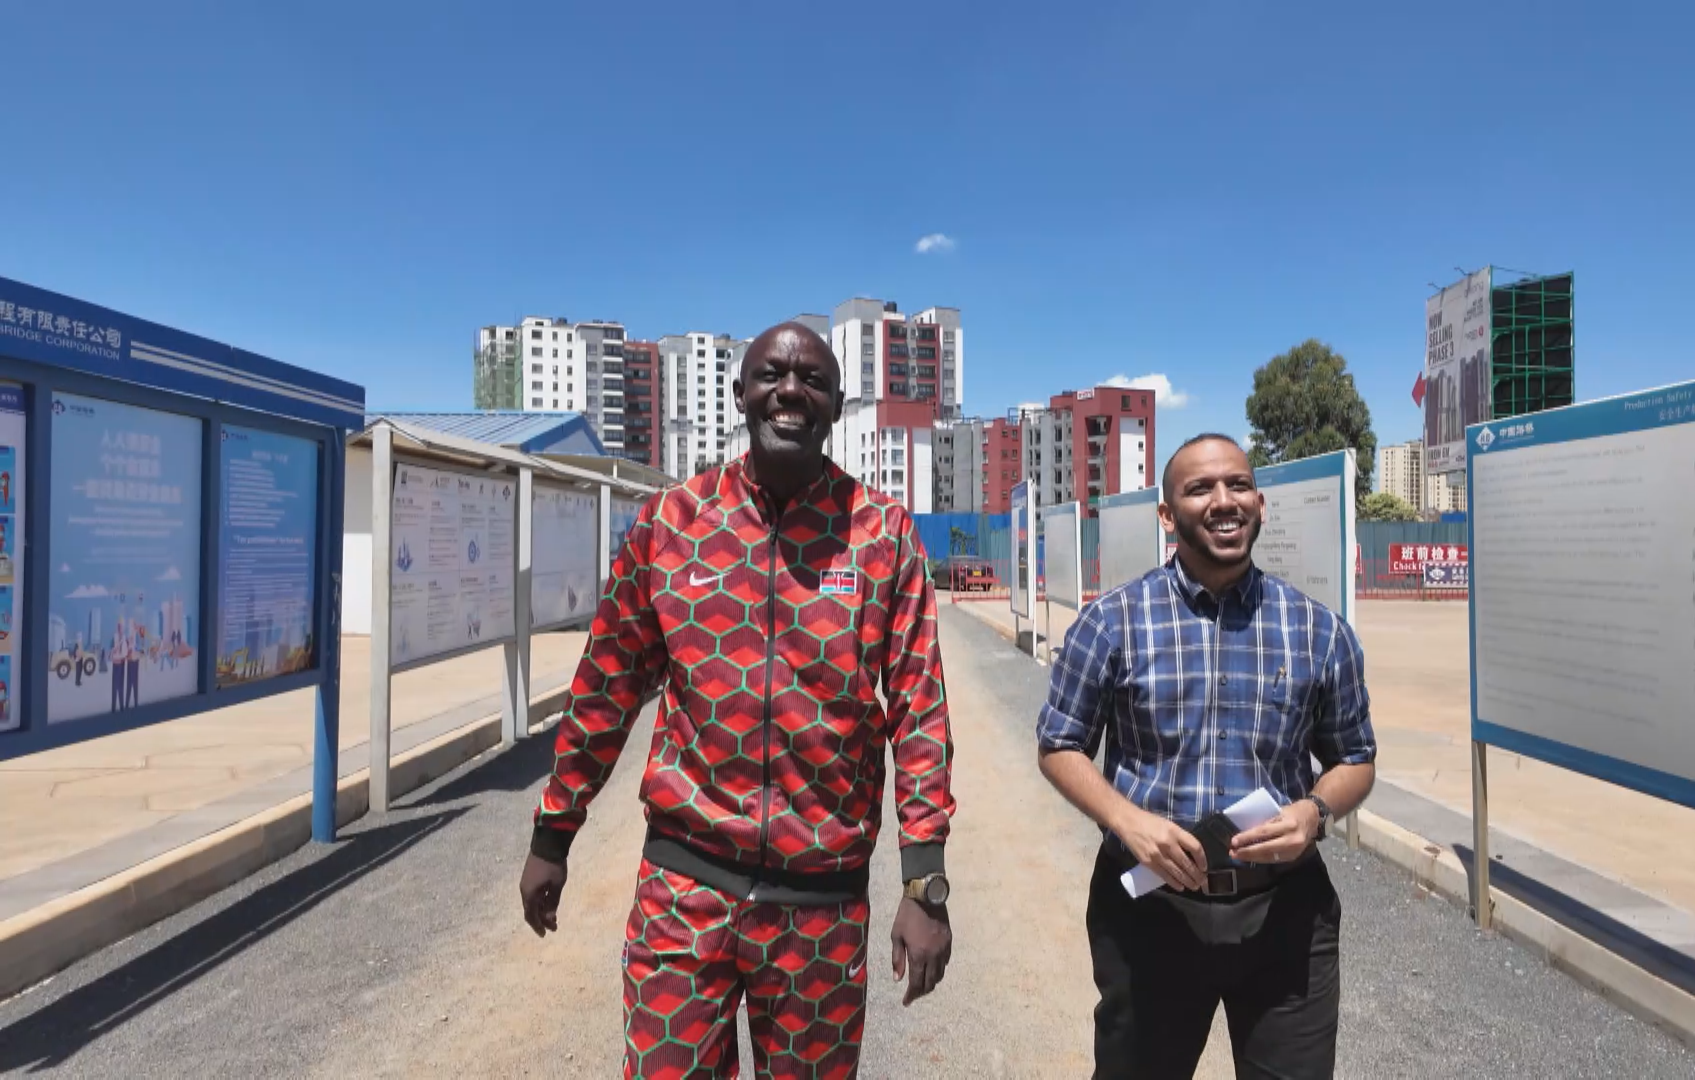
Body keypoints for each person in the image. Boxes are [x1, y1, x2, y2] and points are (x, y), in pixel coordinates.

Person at [518, 322, 958, 1080]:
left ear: (836, 405)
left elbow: (919, 710)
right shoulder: (672, 525)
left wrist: (925, 882)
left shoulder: (882, 535)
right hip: (683, 892)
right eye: (772, 375)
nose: (791, 390)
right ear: (740, 393)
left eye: (812, 379)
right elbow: (606, 686)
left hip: (820, 908)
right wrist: (553, 832)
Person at [1036, 433, 1377, 1080]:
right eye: (1200, 489)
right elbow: (1059, 745)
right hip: (1152, 912)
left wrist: (1314, 812)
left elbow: (1354, 758)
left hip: (1285, 911)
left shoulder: (1317, 630)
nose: (1224, 501)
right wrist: (1126, 820)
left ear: (1259, 502)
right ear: (1168, 515)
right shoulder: (1112, 623)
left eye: (1238, 485)